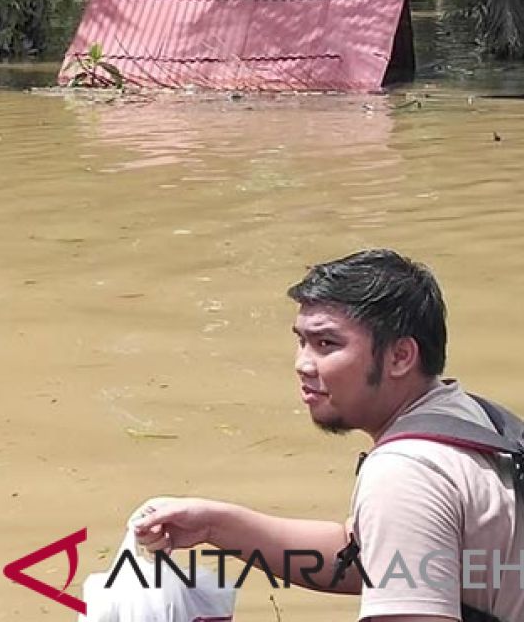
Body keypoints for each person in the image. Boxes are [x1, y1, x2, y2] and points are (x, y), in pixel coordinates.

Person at [132, 249, 522, 622]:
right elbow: (379, 561)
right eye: (302, 341)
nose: (303, 364)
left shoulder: (406, 473)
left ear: (401, 356)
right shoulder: (478, 419)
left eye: (326, 344)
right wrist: (216, 526)